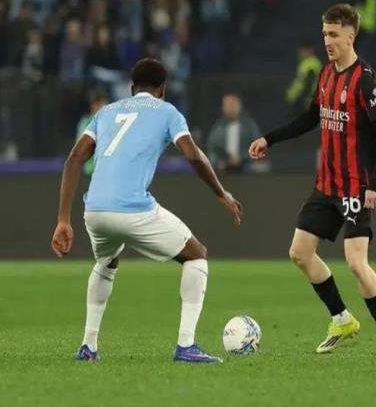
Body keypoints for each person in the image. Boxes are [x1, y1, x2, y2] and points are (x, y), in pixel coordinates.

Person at [51, 58, 242, 364]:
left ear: (132, 88)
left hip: (95, 210)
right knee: (196, 255)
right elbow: (193, 154)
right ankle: (186, 345)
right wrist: (221, 193)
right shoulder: (167, 112)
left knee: (106, 263)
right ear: (162, 89)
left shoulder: (106, 112)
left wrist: (63, 220)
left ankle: (88, 346)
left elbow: (74, 158)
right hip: (133, 209)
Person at [249, 3, 376, 356]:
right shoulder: (326, 74)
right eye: (324, 34)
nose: (327, 41)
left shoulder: (365, 80)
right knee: (300, 253)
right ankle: (342, 319)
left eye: (333, 34)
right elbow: (310, 117)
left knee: (356, 264)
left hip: (354, 187)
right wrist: (269, 139)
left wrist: (375, 184)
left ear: (350, 36)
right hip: (326, 184)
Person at [207, 94, 262, 172]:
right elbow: (212, 149)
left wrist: (242, 157)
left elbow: (258, 146)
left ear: (239, 106)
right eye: (227, 105)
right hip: (223, 169)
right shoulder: (218, 127)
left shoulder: (249, 126)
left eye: (232, 105)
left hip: (247, 168)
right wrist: (220, 162)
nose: (230, 109)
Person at [75, 91, 108, 176]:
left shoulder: (110, 121)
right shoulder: (86, 122)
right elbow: (80, 144)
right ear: (93, 105)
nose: (104, 108)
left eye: (105, 105)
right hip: (91, 169)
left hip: (106, 168)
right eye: (101, 105)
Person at [285, 42, 322, 116]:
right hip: (304, 102)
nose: (300, 52)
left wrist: (298, 99)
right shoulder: (306, 63)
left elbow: (307, 84)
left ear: (310, 50)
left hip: (304, 103)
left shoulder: (311, 64)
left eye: (303, 50)